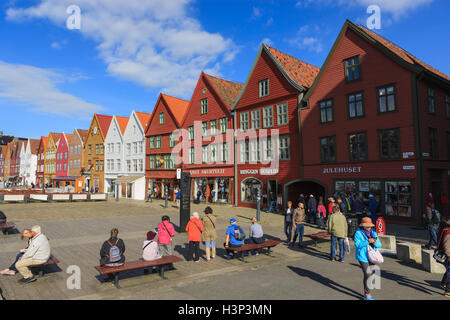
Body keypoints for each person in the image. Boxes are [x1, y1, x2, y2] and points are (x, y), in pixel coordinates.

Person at [354, 217, 382, 300]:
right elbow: (358, 245)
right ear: (363, 226)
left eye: (370, 226)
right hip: (362, 257)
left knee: (371, 274)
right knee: (368, 274)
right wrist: (367, 241)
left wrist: (375, 242)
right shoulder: (358, 233)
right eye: (367, 226)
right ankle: (367, 293)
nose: (369, 227)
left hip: (371, 256)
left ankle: (367, 291)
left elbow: (379, 245)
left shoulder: (373, 232)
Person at [436, 218, 450, 297]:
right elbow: (447, 246)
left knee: (448, 269)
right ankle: (448, 291)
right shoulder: (448, 233)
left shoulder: (442, 230)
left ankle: (443, 283)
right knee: (449, 272)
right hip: (447, 255)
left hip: (443, 254)